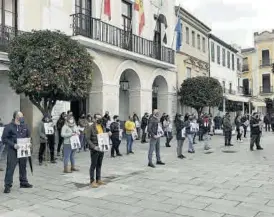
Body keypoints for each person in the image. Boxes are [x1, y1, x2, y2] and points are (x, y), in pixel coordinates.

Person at [2, 111, 33, 194]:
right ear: (16, 117)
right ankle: (7, 185)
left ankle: (23, 182)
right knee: (10, 168)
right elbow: (4, 139)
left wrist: (29, 143)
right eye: (20, 116)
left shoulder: (25, 126)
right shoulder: (9, 127)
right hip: (13, 150)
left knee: (23, 167)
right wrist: (13, 145)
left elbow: (28, 136)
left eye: (22, 116)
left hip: (23, 150)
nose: (22, 117)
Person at [85, 113, 107, 188]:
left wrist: (108, 134)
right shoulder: (90, 127)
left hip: (102, 148)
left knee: (99, 164)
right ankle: (92, 181)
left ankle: (98, 179)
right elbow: (87, 139)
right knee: (93, 165)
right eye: (97, 118)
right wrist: (94, 147)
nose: (99, 119)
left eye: (100, 118)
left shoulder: (102, 126)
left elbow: (103, 136)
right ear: (94, 119)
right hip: (95, 149)